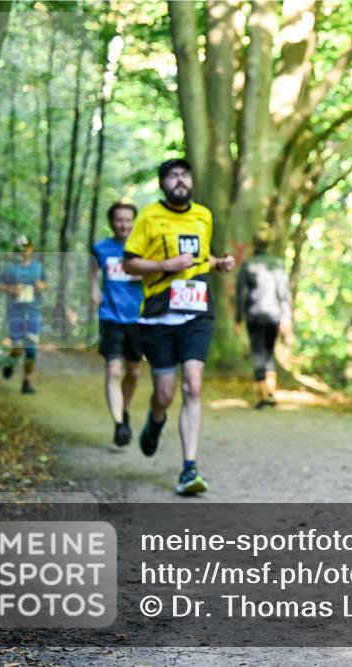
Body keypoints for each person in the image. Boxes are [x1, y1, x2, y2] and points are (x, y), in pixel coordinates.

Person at [123, 158, 235, 495]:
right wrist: (165, 265)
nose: (180, 180)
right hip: (159, 314)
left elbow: (200, 259)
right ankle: (156, 420)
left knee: (193, 385)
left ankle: (189, 468)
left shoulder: (203, 215)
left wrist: (219, 263)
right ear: (163, 183)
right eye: (173, 176)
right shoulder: (149, 216)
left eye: (185, 174)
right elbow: (129, 264)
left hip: (197, 311)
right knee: (164, 394)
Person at [90, 202, 144, 446]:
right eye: (119, 220)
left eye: (128, 220)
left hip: (138, 317)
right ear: (112, 223)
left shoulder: (143, 247)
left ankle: (124, 409)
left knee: (134, 372)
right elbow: (92, 269)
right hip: (110, 316)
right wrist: (94, 289)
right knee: (114, 370)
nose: (124, 225)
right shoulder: (101, 248)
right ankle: (120, 424)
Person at [234, 223, 294, 409]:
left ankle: (264, 395)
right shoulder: (277, 265)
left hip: (255, 315)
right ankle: (270, 392)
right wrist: (286, 316)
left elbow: (241, 294)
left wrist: (238, 318)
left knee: (258, 353)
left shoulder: (248, 265)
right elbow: (284, 293)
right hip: (274, 315)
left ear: (254, 243)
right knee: (268, 353)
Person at [0, 236, 47, 394]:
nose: (24, 250)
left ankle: (26, 382)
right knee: (17, 347)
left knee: (31, 349)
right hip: (15, 312)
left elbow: (46, 283)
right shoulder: (10, 268)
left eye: (26, 247)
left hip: (33, 312)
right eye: (21, 247)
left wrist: (41, 286)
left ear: (31, 248)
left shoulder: (37, 267)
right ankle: (10, 362)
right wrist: (11, 289)